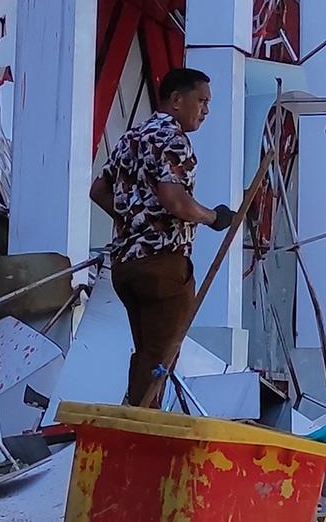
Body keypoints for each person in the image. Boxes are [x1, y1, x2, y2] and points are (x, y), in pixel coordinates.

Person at [90, 68, 233, 407]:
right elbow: (175, 200)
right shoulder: (174, 140)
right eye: (201, 101)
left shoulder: (132, 137)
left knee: (146, 350)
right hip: (162, 263)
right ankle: (140, 424)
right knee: (161, 353)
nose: (206, 111)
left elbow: (98, 190)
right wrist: (213, 217)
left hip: (126, 264)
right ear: (176, 100)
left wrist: (133, 219)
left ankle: (137, 414)